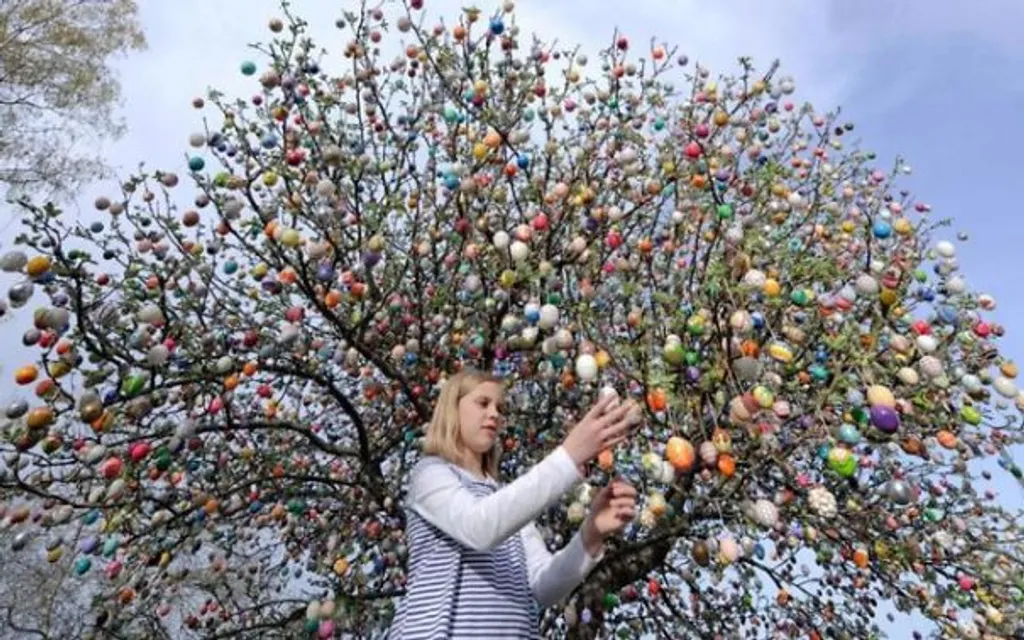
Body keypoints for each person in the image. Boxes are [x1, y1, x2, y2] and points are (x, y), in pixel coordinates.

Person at [387, 368, 639, 639]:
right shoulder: (432, 473)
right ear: (452, 409)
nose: (494, 413)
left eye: (500, 407)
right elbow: (478, 527)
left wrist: (591, 534)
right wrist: (569, 456)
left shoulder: (505, 502)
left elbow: (543, 587)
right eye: (483, 403)